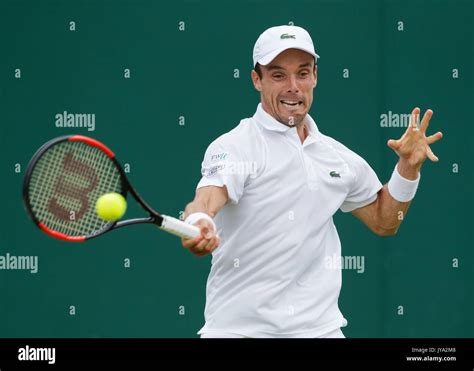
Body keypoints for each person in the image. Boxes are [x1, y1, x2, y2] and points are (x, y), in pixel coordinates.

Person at [181, 25, 443, 338]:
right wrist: (199, 219)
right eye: (278, 75)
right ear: (256, 79)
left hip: (320, 331)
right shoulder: (234, 147)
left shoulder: (336, 156)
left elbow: (385, 221)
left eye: (302, 73)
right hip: (238, 331)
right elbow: (208, 197)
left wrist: (407, 168)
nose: (293, 86)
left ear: (315, 76)